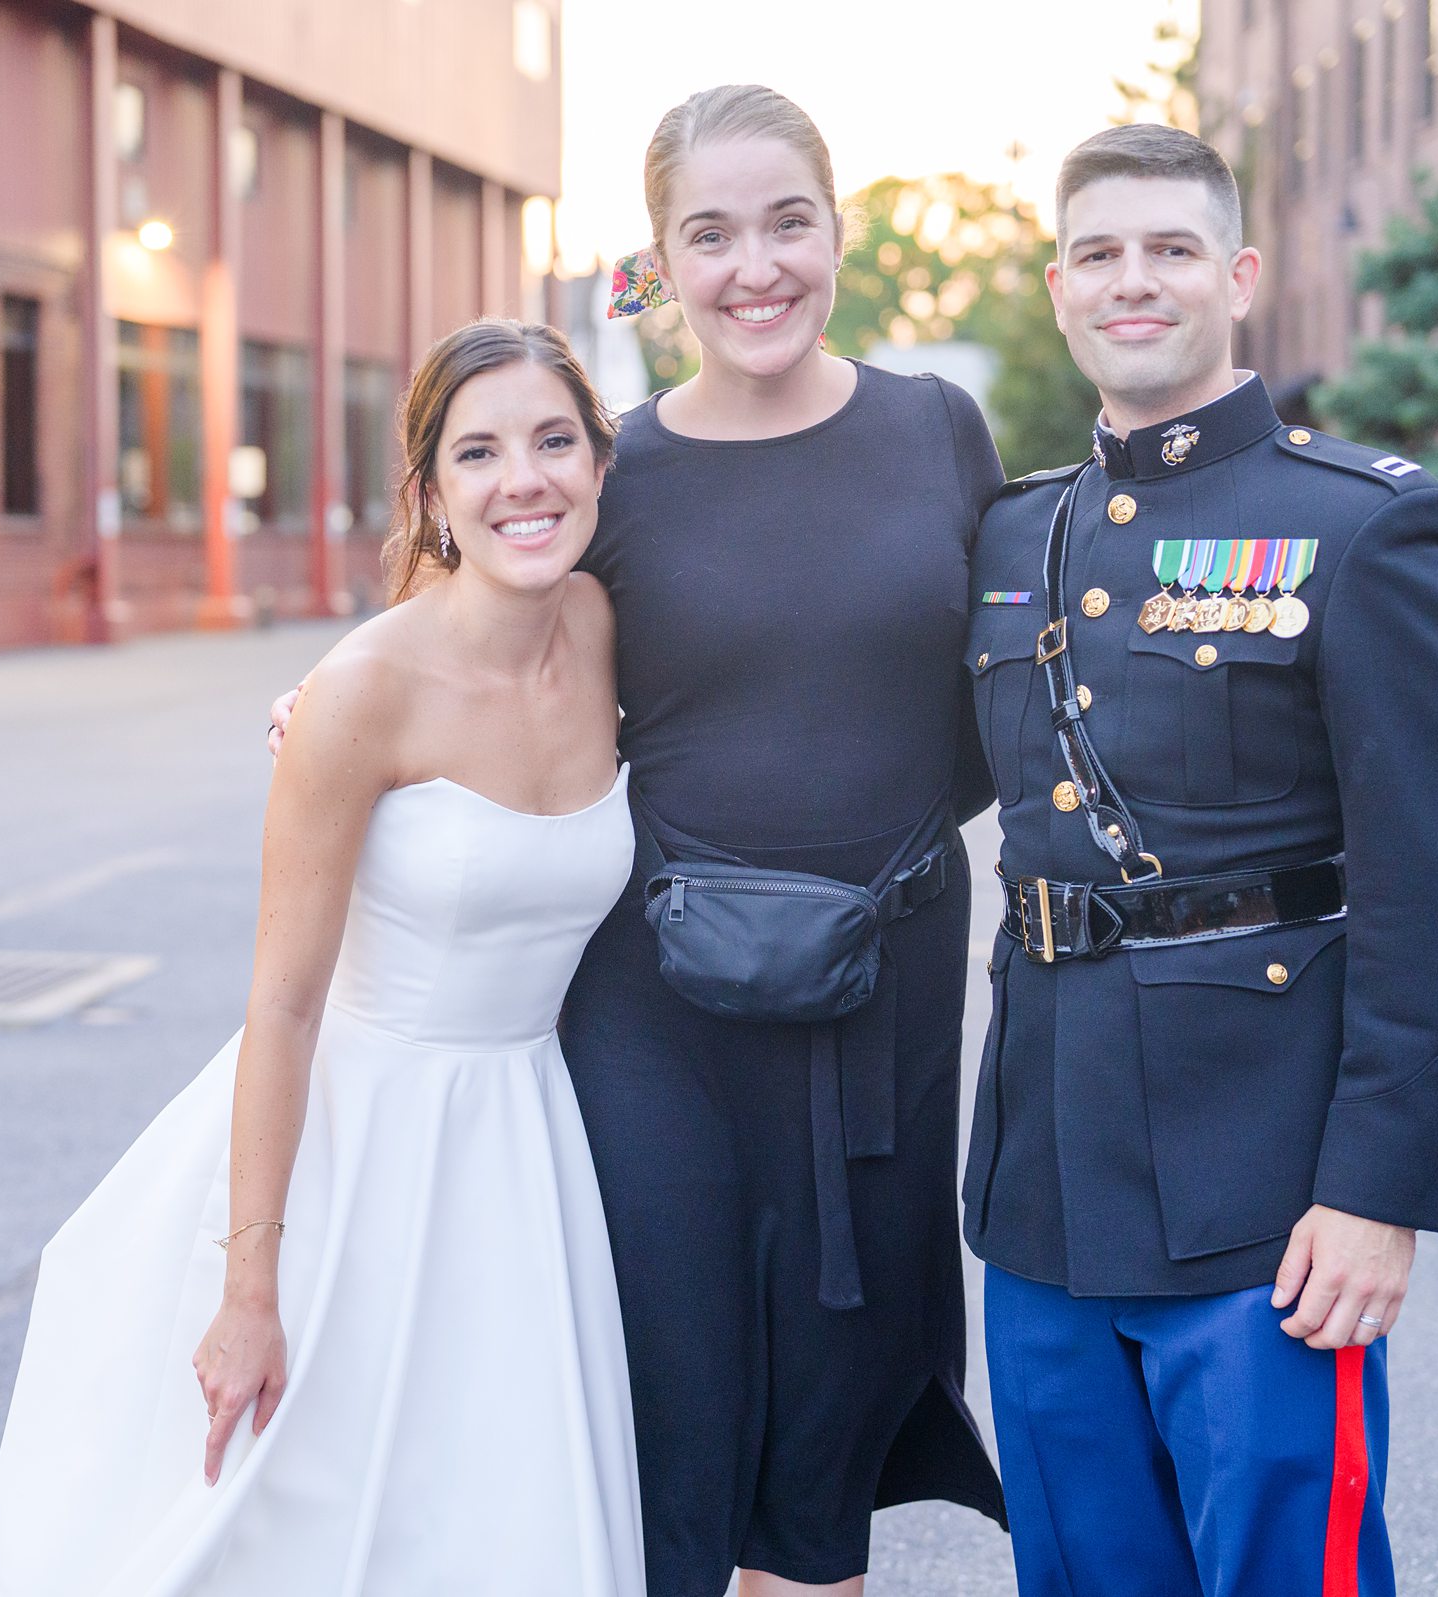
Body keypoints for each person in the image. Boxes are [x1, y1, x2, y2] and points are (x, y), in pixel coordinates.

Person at [277, 84, 1006, 1597]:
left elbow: (995, 697)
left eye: (786, 223)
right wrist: (332, 693)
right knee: (658, 1428)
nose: (757, 267)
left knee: (827, 1440)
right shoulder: (613, 470)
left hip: (886, 997)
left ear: (836, 229)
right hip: (657, 1015)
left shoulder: (938, 430)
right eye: (712, 234)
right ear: (660, 263)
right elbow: (474, 613)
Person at [0, 320, 645, 1597]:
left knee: (499, 1515)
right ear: (434, 493)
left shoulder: (605, 627)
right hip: (357, 1149)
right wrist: (249, 1290)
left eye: (556, 441)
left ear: (603, 463)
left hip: (526, 1148)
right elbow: (280, 1005)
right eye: (480, 452)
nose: (525, 480)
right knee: (299, 1532)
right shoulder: (363, 690)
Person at [960, 123, 1438, 1597]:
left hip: (1268, 1195)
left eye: (1169, 249)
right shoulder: (1020, 533)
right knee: (1082, 1573)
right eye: (1098, 253)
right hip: (1044, 1193)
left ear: (1239, 277)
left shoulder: (1361, 528)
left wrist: (1380, 1188)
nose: (1130, 281)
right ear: (1063, 287)